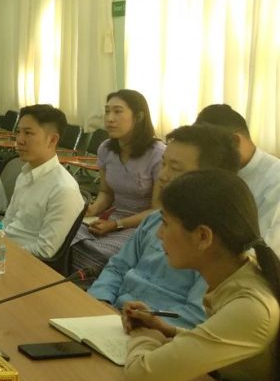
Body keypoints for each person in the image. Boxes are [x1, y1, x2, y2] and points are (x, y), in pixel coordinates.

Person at [122, 169, 279, 381]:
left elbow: (141, 376)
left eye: (165, 223)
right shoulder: (236, 275)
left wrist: (144, 336)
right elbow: (221, 340)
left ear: (203, 236)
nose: (159, 234)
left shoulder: (250, 306)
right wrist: (166, 330)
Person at [88, 124, 240, 329]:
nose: (162, 176)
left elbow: (195, 315)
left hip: (155, 333)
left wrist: (145, 324)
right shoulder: (154, 219)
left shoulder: (213, 243)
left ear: (209, 179)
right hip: (111, 318)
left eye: (175, 168)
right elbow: (117, 267)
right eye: (164, 164)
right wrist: (100, 302)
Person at [71, 89, 166, 271]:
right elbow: (106, 192)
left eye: (117, 111)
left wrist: (116, 225)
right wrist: (93, 209)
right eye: (107, 111)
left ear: (138, 117)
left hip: (143, 225)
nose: (110, 118)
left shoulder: (158, 153)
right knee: (67, 235)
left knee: (103, 252)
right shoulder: (106, 148)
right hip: (112, 218)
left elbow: (157, 210)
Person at [1, 105, 86, 259]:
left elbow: (45, 251)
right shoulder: (25, 174)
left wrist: (3, 251)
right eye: (18, 132)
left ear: (52, 140)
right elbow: (7, 223)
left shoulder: (64, 189)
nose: (19, 140)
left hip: (24, 263)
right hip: (3, 252)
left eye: (28, 133)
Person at [196, 104, 280, 252]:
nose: (204, 158)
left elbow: (264, 250)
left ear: (235, 141)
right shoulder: (215, 171)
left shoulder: (275, 179)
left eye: (208, 150)